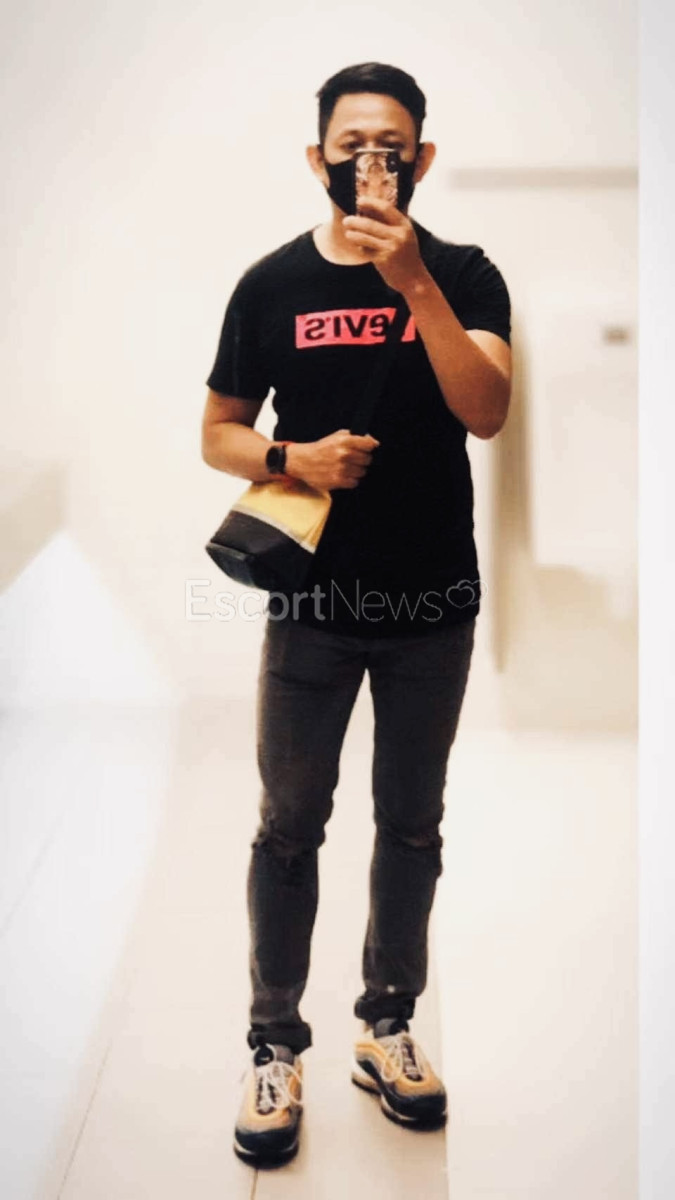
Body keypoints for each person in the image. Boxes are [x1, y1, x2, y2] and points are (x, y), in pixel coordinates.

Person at [201, 62, 512, 1165]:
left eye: (390, 145)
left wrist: (413, 280)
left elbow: (486, 409)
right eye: (350, 144)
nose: (369, 161)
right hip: (313, 606)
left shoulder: (465, 274)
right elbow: (219, 433)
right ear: (317, 158)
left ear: (421, 159)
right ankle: (273, 1043)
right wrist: (294, 457)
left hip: (433, 604)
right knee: (290, 825)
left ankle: (387, 1028)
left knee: (411, 824)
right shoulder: (271, 284)